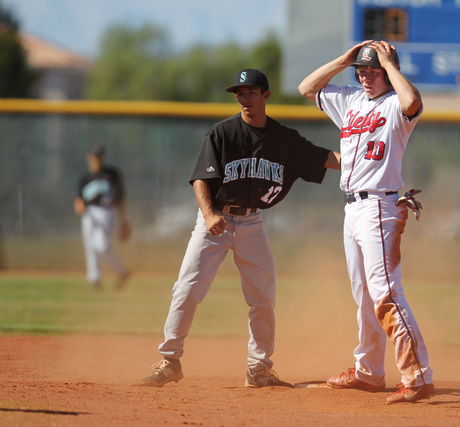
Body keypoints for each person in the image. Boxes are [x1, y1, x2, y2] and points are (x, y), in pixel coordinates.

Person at [140, 68, 341, 388]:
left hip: (252, 222)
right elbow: (201, 179)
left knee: (263, 297)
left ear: (266, 96)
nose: (244, 98)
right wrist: (207, 215)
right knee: (188, 288)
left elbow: (324, 158)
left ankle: (259, 368)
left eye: (250, 92)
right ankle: (169, 361)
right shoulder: (221, 133)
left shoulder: (283, 139)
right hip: (214, 221)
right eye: (239, 93)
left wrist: (364, 159)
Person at [298, 40, 434, 404]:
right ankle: (369, 371)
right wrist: (344, 60)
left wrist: (389, 67)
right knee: (364, 296)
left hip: (379, 207)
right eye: (362, 70)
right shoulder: (351, 100)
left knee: (386, 294)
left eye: (372, 70)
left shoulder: (395, 104)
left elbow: (412, 102)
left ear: (389, 71)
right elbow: (307, 88)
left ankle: (417, 376)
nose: (365, 76)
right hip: (352, 210)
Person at [74, 144, 131, 291]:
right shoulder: (85, 177)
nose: (96, 159)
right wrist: (79, 206)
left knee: (102, 246)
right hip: (89, 213)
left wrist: (123, 220)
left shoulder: (112, 174)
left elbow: (120, 198)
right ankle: (95, 279)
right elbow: (78, 199)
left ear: (102, 157)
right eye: (94, 156)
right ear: (89, 158)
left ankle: (121, 271)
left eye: (99, 156)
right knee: (90, 246)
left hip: (106, 212)